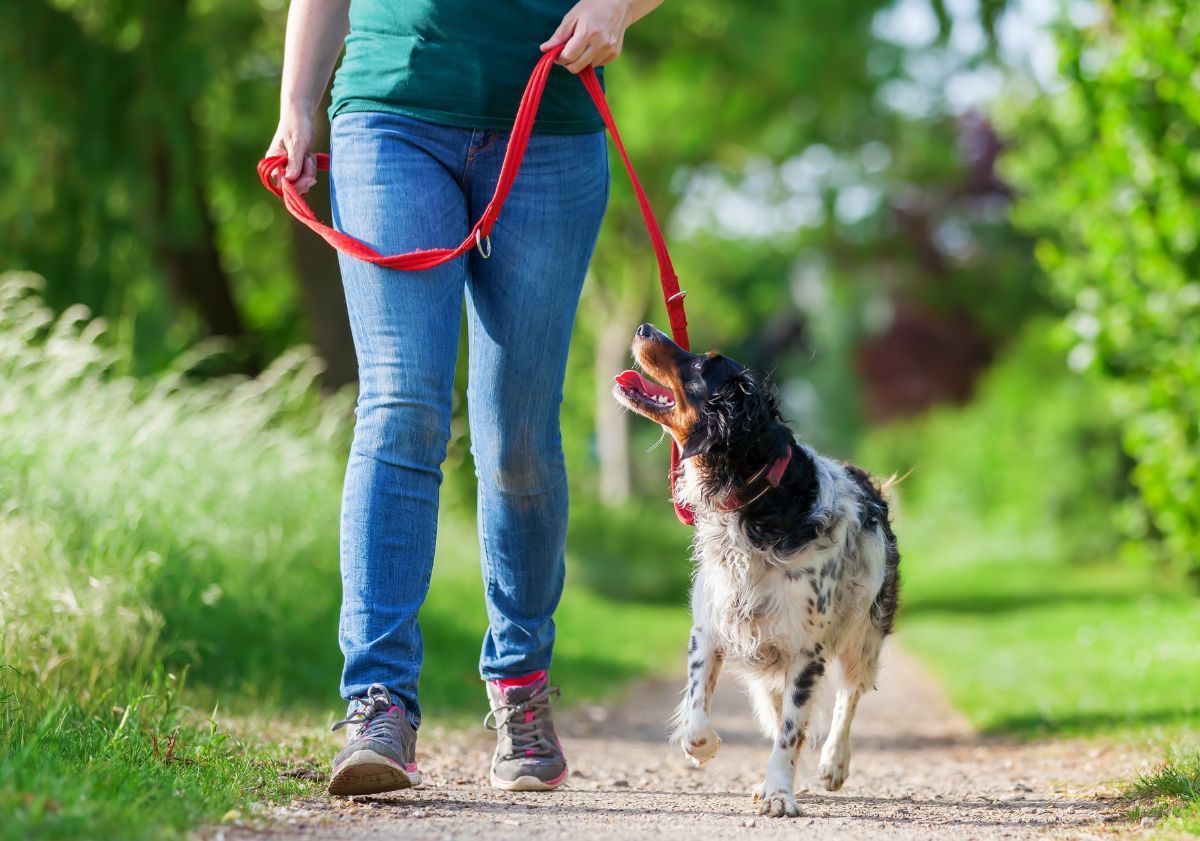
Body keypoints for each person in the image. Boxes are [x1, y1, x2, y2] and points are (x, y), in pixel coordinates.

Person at [266, 0, 663, 796]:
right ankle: (377, 701)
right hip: (392, 112)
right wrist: (294, 107)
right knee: (400, 404)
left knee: (515, 433)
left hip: (549, 121)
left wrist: (619, 6)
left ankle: (521, 686)